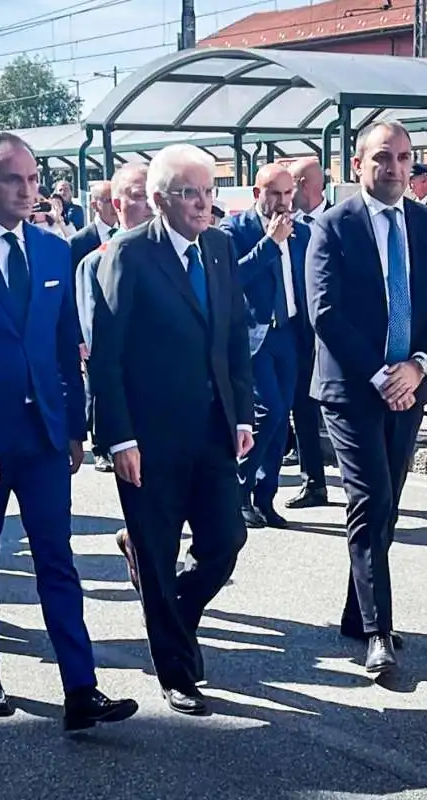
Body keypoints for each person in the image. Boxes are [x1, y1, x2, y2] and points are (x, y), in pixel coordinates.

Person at [0, 132, 138, 730]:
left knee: (56, 560)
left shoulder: (52, 249)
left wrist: (73, 426)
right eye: (14, 179)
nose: (27, 190)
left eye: (34, 179)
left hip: (42, 438)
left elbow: (67, 345)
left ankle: (80, 688)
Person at [92, 144, 253, 715]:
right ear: (161, 200)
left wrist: (242, 414)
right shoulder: (129, 254)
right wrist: (119, 439)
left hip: (211, 429)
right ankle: (176, 673)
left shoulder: (219, 247)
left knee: (225, 542)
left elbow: (233, 337)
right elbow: (107, 357)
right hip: (148, 439)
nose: (204, 203)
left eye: (210, 191)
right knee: (158, 554)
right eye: (191, 193)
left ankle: (174, 617)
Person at [306, 121, 427, 674]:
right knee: (370, 500)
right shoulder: (333, 226)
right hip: (352, 389)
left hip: (411, 385)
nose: (393, 168)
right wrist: (380, 374)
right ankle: (378, 631)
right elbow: (325, 312)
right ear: (358, 165)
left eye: (402, 157)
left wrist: (419, 366)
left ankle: (356, 610)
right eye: (381, 158)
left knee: (386, 507)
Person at [221, 164, 310, 529]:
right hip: (252, 336)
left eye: (289, 194)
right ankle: (238, 489)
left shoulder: (300, 232)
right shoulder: (234, 230)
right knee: (268, 412)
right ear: (257, 194)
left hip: (289, 333)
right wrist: (269, 243)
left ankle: (265, 497)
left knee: (282, 416)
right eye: (275, 193)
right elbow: (233, 277)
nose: (283, 202)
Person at [76, 164, 152, 474]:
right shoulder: (97, 260)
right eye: (139, 196)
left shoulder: (181, 252)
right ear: (117, 204)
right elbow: (100, 347)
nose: (149, 205)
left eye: (152, 195)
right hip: (131, 398)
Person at [281, 157, 332, 509]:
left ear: (303, 183)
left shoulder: (341, 221)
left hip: (340, 334)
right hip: (302, 334)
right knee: (303, 407)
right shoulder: (291, 229)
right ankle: (313, 481)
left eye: (290, 186)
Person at [69, 180, 118, 279]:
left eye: (117, 200)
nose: (115, 206)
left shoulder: (128, 235)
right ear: (94, 205)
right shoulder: (77, 242)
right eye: (109, 201)